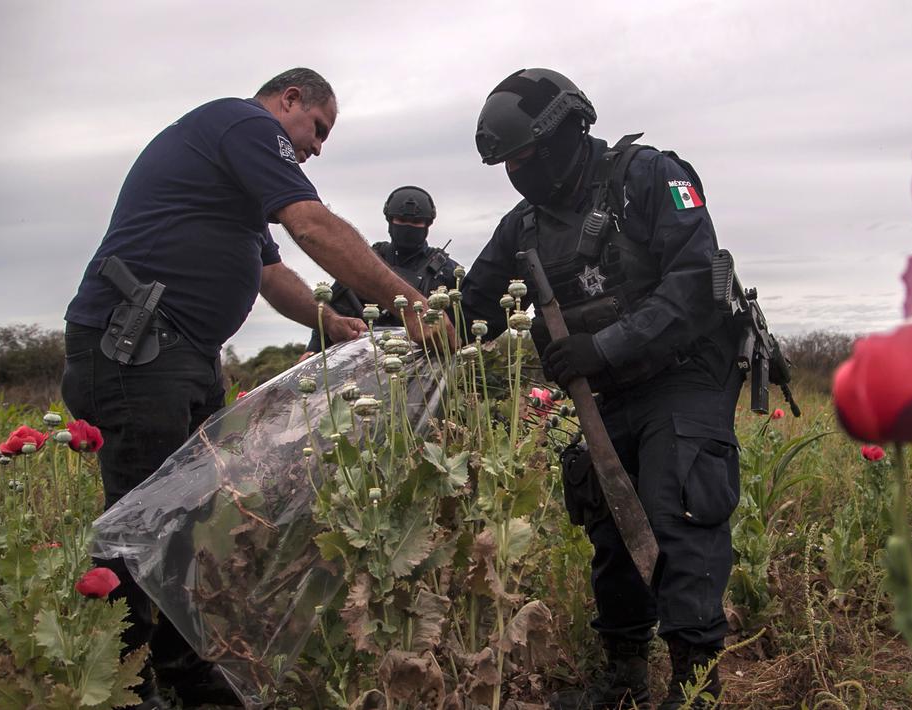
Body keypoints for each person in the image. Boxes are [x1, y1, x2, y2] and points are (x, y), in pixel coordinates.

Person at [61, 68, 450, 709]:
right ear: (289, 100)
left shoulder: (232, 180)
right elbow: (312, 225)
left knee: (186, 522)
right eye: (317, 129)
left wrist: (331, 321)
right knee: (143, 523)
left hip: (180, 353)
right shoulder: (241, 123)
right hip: (133, 348)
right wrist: (413, 304)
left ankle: (184, 675)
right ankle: (128, 684)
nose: (318, 146)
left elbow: (270, 272)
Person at [460, 68, 744, 709]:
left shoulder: (649, 176)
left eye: (526, 157)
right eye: (507, 165)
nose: (518, 173)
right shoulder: (523, 226)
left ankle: (695, 687)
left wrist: (605, 346)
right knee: (611, 525)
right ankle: (622, 678)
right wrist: (397, 331)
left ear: (566, 132)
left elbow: (696, 278)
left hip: (685, 374)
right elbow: (470, 306)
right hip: (608, 394)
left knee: (677, 513)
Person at [303, 185, 461, 355]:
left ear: (428, 224)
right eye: (401, 220)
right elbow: (329, 316)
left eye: (416, 222)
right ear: (389, 220)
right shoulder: (364, 265)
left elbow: (464, 326)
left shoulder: (446, 271)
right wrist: (312, 350)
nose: (408, 227)